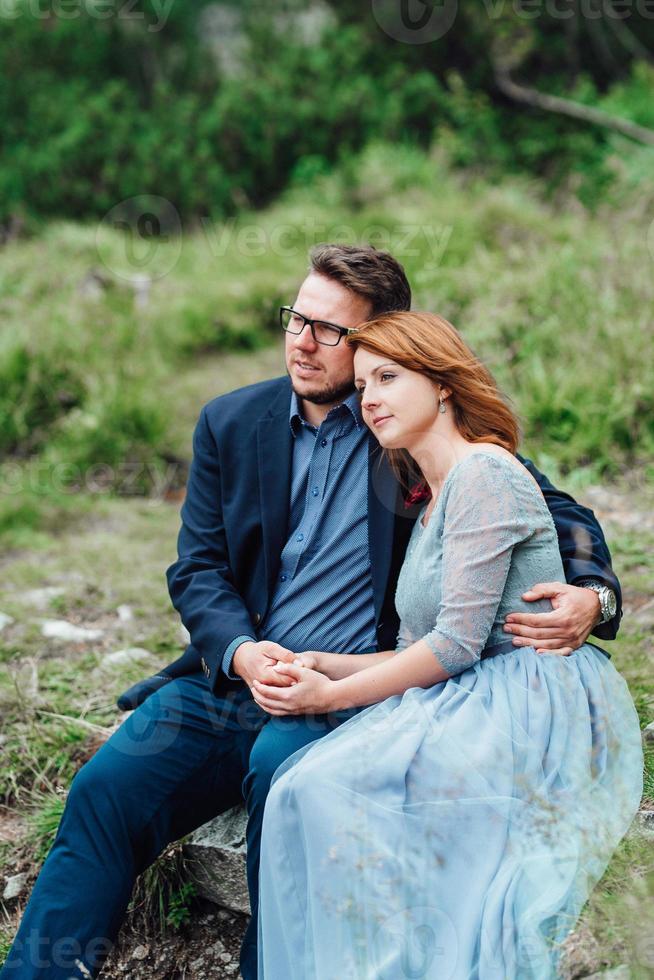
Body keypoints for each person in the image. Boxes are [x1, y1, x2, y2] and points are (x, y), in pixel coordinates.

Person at [1, 248, 623, 980]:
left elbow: (548, 509)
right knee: (108, 788)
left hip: (363, 687)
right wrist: (240, 652)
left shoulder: (401, 421)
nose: (301, 341)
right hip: (238, 678)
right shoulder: (231, 423)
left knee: (280, 774)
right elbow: (197, 567)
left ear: (378, 341)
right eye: (297, 318)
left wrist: (593, 594)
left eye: (329, 331)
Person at [254, 311, 643, 980]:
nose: (370, 398)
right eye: (363, 385)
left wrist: (333, 694)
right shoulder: (430, 496)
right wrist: (321, 662)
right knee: (303, 787)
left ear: (440, 384)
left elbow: (457, 646)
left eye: (388, 377)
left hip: (531, 696)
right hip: (472, 685)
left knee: (317, 787)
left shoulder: (484, 473)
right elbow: (425, 641)